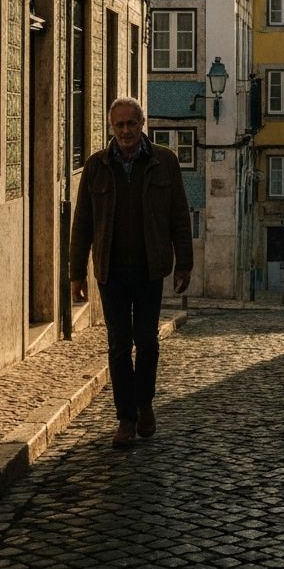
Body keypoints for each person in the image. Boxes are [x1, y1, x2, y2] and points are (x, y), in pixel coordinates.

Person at [69, 96, 193, 448]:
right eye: (119, 124)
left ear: (142, 125)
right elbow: (83, 224)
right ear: (112, 127)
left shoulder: (164, 163)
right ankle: (125, 418)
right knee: (119, 344)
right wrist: (76, 272)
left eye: (131, 123)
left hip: (149, 268)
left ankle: (145, 403)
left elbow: (179, 216)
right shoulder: (96, 166)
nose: (125, 130)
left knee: (148, 341)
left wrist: (184, 262)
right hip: (110, 270)